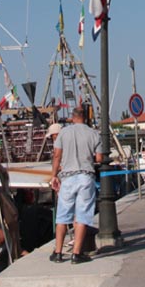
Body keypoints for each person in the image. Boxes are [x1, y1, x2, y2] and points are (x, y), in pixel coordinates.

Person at [49, 106, 101, 264]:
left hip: (67, 178)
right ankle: (76, 254)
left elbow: (57, 155)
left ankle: (58, 252)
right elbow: (99, 158)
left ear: (72, 117)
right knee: (82, 216)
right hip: (86, 177)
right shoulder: (94, 134)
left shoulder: (64, 133)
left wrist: (54, 176)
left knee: (62, 216)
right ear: (85, 117)